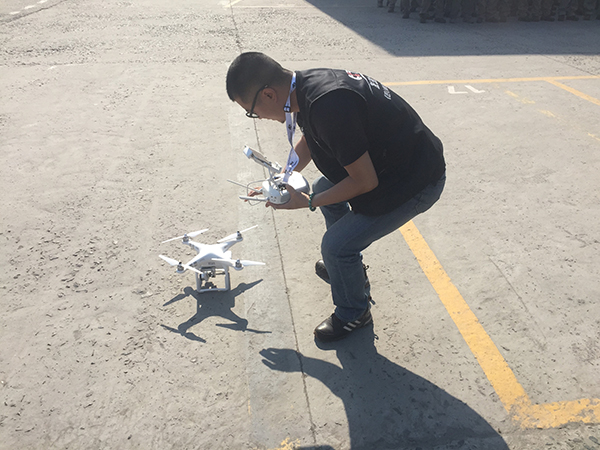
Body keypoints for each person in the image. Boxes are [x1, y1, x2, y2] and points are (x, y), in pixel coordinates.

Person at [226, 52, 446, 343]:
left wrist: (306, 201)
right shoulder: (304, 87)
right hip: (390, 160)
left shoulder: (328, 107)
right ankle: (348, 272)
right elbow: (309, 140)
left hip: (414, 179)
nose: (259, 118)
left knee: (335, 246)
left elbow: (365, 181)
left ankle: (354, 312)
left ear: (268, 94)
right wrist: (282, 176)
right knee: (322, 188)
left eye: (252, 111)